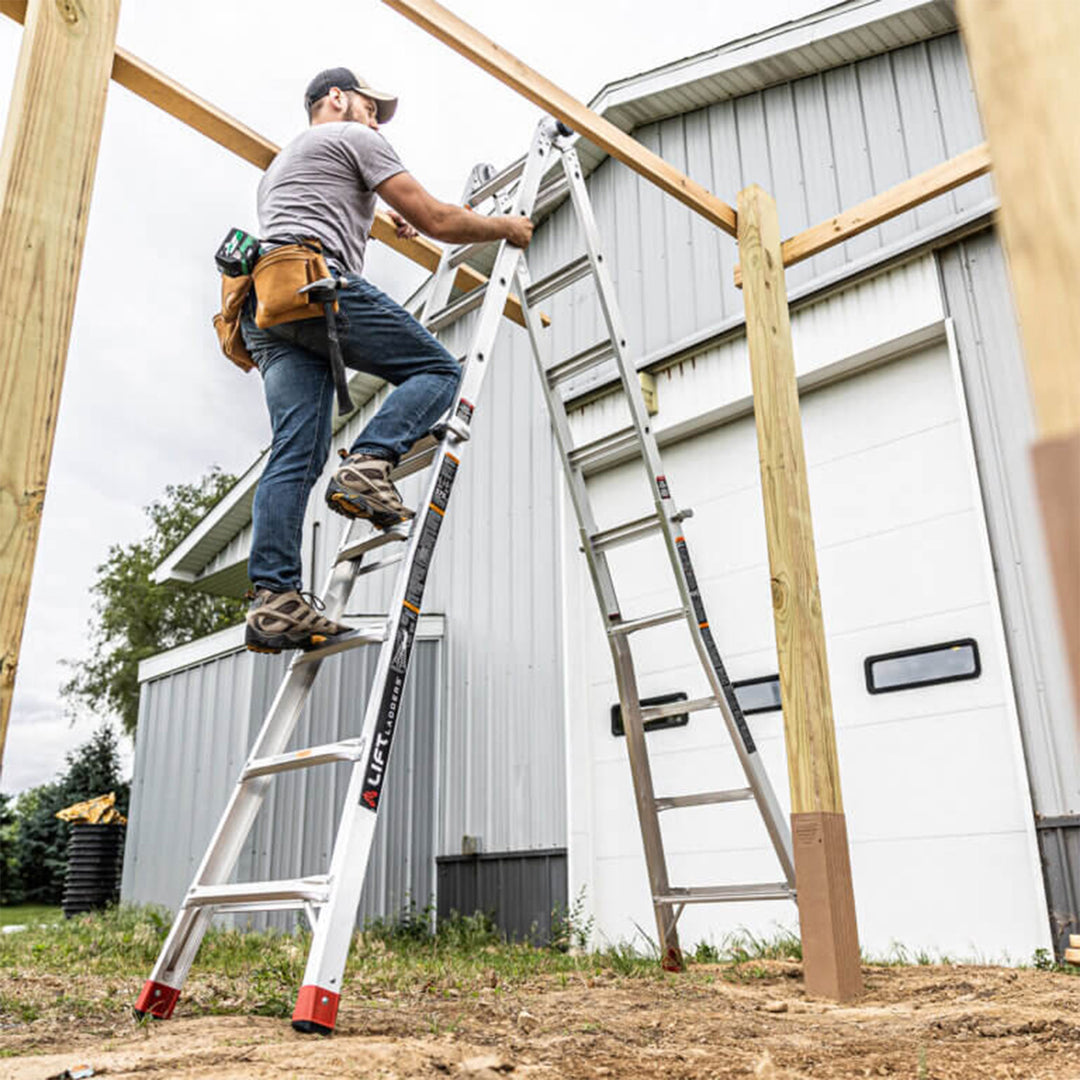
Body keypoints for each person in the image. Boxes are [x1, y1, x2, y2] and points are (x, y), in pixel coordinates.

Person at [240, 67, 533, 654]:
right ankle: (370, 464)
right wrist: (508, 227)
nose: (376, 121)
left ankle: (274, 599)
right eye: (371, 107)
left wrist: (376, 214)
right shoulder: (356, 139)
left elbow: (325, 208)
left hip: (263, 306)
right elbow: (439, 220)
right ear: (337, 99)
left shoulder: (283, 166)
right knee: (439, 372)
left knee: (296, 451)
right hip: (314, 284)